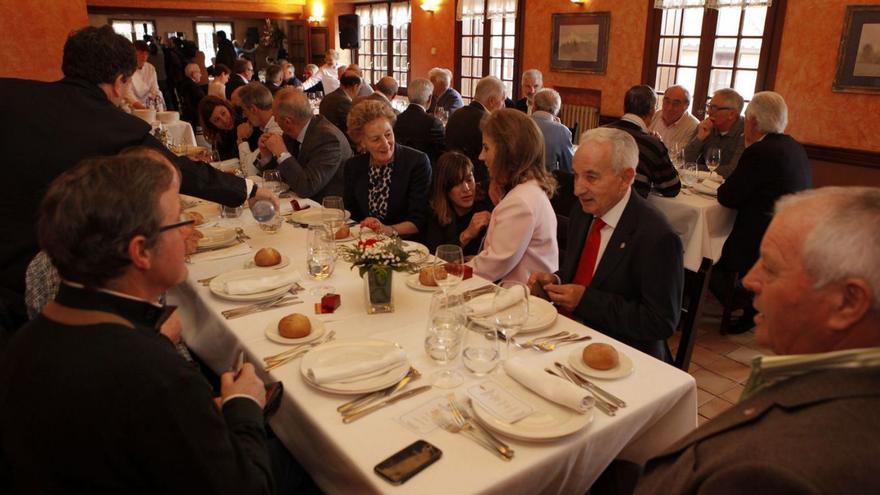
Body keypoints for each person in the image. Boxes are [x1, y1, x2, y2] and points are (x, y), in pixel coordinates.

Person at [0, 154, 274, 492]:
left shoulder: (25, 342)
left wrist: (194, 417)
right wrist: (243, 406)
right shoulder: (154, 373)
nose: (189, 229)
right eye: (178, 220)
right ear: (141, 251)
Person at [0, 26, 274, 330]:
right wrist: (248, 190)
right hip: (36, 276)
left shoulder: (10, 94)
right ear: (119, 83)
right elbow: (179, 171)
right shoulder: (114, 124)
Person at [636, 186, 880, 494]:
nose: (751, 280)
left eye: (772, 267)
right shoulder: (825, 383)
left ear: (847, 302)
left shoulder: (779, 472)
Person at [529, 128, 683, 362]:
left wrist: (586, 301)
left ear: (626, 178)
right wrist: (557, 281)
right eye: (576, 175)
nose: (577, 189)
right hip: (570, 339)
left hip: (624, 357)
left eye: (591, 177)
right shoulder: (584, 212)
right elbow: (589, 274)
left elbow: (660, 322)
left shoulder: (657, 236)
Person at [711, 91, 812, 334]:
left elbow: (728, 196)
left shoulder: (759, 152)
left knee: (701, 257)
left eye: (747, 119)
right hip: (792, 232)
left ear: (753, 122)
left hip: (759, 238)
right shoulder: (794, 147)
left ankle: (746, 302)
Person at [467, 109, 558, 284]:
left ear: (507, 152)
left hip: (518, 300)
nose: (481, 156)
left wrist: (450, 272)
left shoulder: (520, 201)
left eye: (486, 148)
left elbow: (492, 266)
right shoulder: (528, 190)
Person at [344, 100, 431, 237]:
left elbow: (418, 221)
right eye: (376, 139)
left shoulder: (416, 162)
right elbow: (350, 213)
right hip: (363, 240)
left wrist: (388, 230)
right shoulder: (353, 166)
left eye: (388, 134)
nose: (386, 144)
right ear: (362, 142)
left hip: (405, 245)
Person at [260, 88, 353, 202]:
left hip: (327, 209)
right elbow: (282, 178)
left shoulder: (328, 139)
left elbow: (307, 187)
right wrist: (266, 156)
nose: (274, 120)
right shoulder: (291, 134)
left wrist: (282, 153)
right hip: (301, 204)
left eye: (275, 117)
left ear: (287, 121)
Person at [605, 85, 680, 198]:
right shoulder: (652, 145)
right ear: (652, 111)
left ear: (624, 107)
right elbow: (672, 188)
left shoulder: (599, 133)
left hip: (591, 209)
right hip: (629, 211)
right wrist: (659, 147)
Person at [424, 151, 492, 256]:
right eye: (457, 183)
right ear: (445, 188)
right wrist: (466, 235)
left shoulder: (486, 203)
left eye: (469, 180)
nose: (466, 189)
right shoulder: (436, 213)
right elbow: (435, 257)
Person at [445, 75, 507, 187]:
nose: (504, 105)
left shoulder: (456, 114)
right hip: (478, 183)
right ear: (492, 101)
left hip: (451, 178)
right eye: (502, 100)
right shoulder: (488, 123)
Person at [685, 88, 745, 178]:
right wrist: (699, 138)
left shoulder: (746, 131)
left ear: (732, 114)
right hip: (701, 184)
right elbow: (684, 161)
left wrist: (694, 168)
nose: (708, 112)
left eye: (714, 108)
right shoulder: (705, 126)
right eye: (709, 106)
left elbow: (733, 170)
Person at [393, 78, 445, 165]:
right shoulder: (433, 123)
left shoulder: (396, 119)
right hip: (427, 172)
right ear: (429, 98)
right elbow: (443, 150)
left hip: (401, 169)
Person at [236, 82, 283, 173]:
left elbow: (249, 171)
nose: (243, 115)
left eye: (244, 110)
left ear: (253, 109)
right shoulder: (264, 127)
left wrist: (242, 140)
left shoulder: (276, 129)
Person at [531, 88, 574, 172]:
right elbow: (568, 167)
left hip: (518, 181)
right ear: (556, 111)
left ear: (534, 106)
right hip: (547, 182)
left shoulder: (520, 123)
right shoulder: (562, 131)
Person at [649, 84, 699, 155]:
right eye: (667, 102)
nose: (669, 108)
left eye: (675, 104)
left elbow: (683, 158)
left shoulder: (693, 126)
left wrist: (659, 146)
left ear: (686, 106)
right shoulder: (654, 116)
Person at [319, 70, 362, 137]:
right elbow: (352, 126)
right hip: (337, 140)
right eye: (360, 87)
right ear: (355, 86)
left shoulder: (328, 97)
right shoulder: (344, 101)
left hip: (324, 136)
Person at [124, 40, 164, 109]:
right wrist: (141, 107)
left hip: (146, 104)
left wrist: (157, 103)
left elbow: (155, 89)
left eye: (146, 53)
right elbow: (127, 93)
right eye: (140, 53)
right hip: (131, 105)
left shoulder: (150, 68)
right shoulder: (127, 68)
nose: (144, 56)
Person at [198, 96, 240, 160]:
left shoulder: (243, 118)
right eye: (217, 120)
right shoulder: (219, 134)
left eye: (223, 113)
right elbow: (223, 158)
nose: (224, 120)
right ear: (212, 125)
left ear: (227, 107)